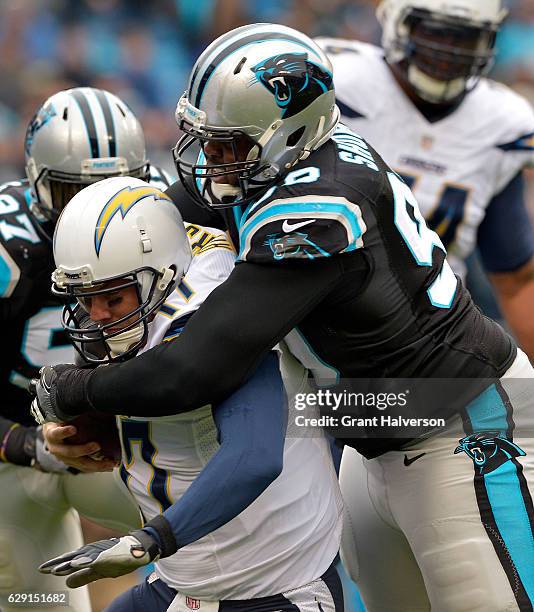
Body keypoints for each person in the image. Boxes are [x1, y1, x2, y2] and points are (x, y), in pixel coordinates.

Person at [31, 24, 534, 611]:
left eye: (229, 146)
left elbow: (196, 367)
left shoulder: (319, 206)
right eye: (205, 140)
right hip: (368, 429)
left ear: (290, 134)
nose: (211, 162)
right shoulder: (275, 163)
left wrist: (77, 391)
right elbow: (145, 233)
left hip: (466, 430)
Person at [38, 176, 344, 611]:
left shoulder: (213, 317)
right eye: (86, 299)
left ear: (162, 278)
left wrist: (148, 541)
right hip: (182, 582)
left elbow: (256, 457)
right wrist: (74, 435)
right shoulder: (135, 293)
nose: (98, 317)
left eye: (113, 298)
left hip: (272, 588)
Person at [0, 86, 173, 612]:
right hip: (13, 457)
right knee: (37, 603)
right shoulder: (10, 251)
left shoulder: (169, 220)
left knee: (230, 536)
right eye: (77, 195)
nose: (96, 217)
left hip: (122, 441)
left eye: (115, 191)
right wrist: (27, 445)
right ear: (38, 186)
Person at [316, 0, 534, 358]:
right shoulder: (336, 80)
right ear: (397, 22)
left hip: (430, 333)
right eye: (434, 32)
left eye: (464, 38)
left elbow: (514, 278)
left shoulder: (503, 124)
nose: (447, 50)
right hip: (313, 310)